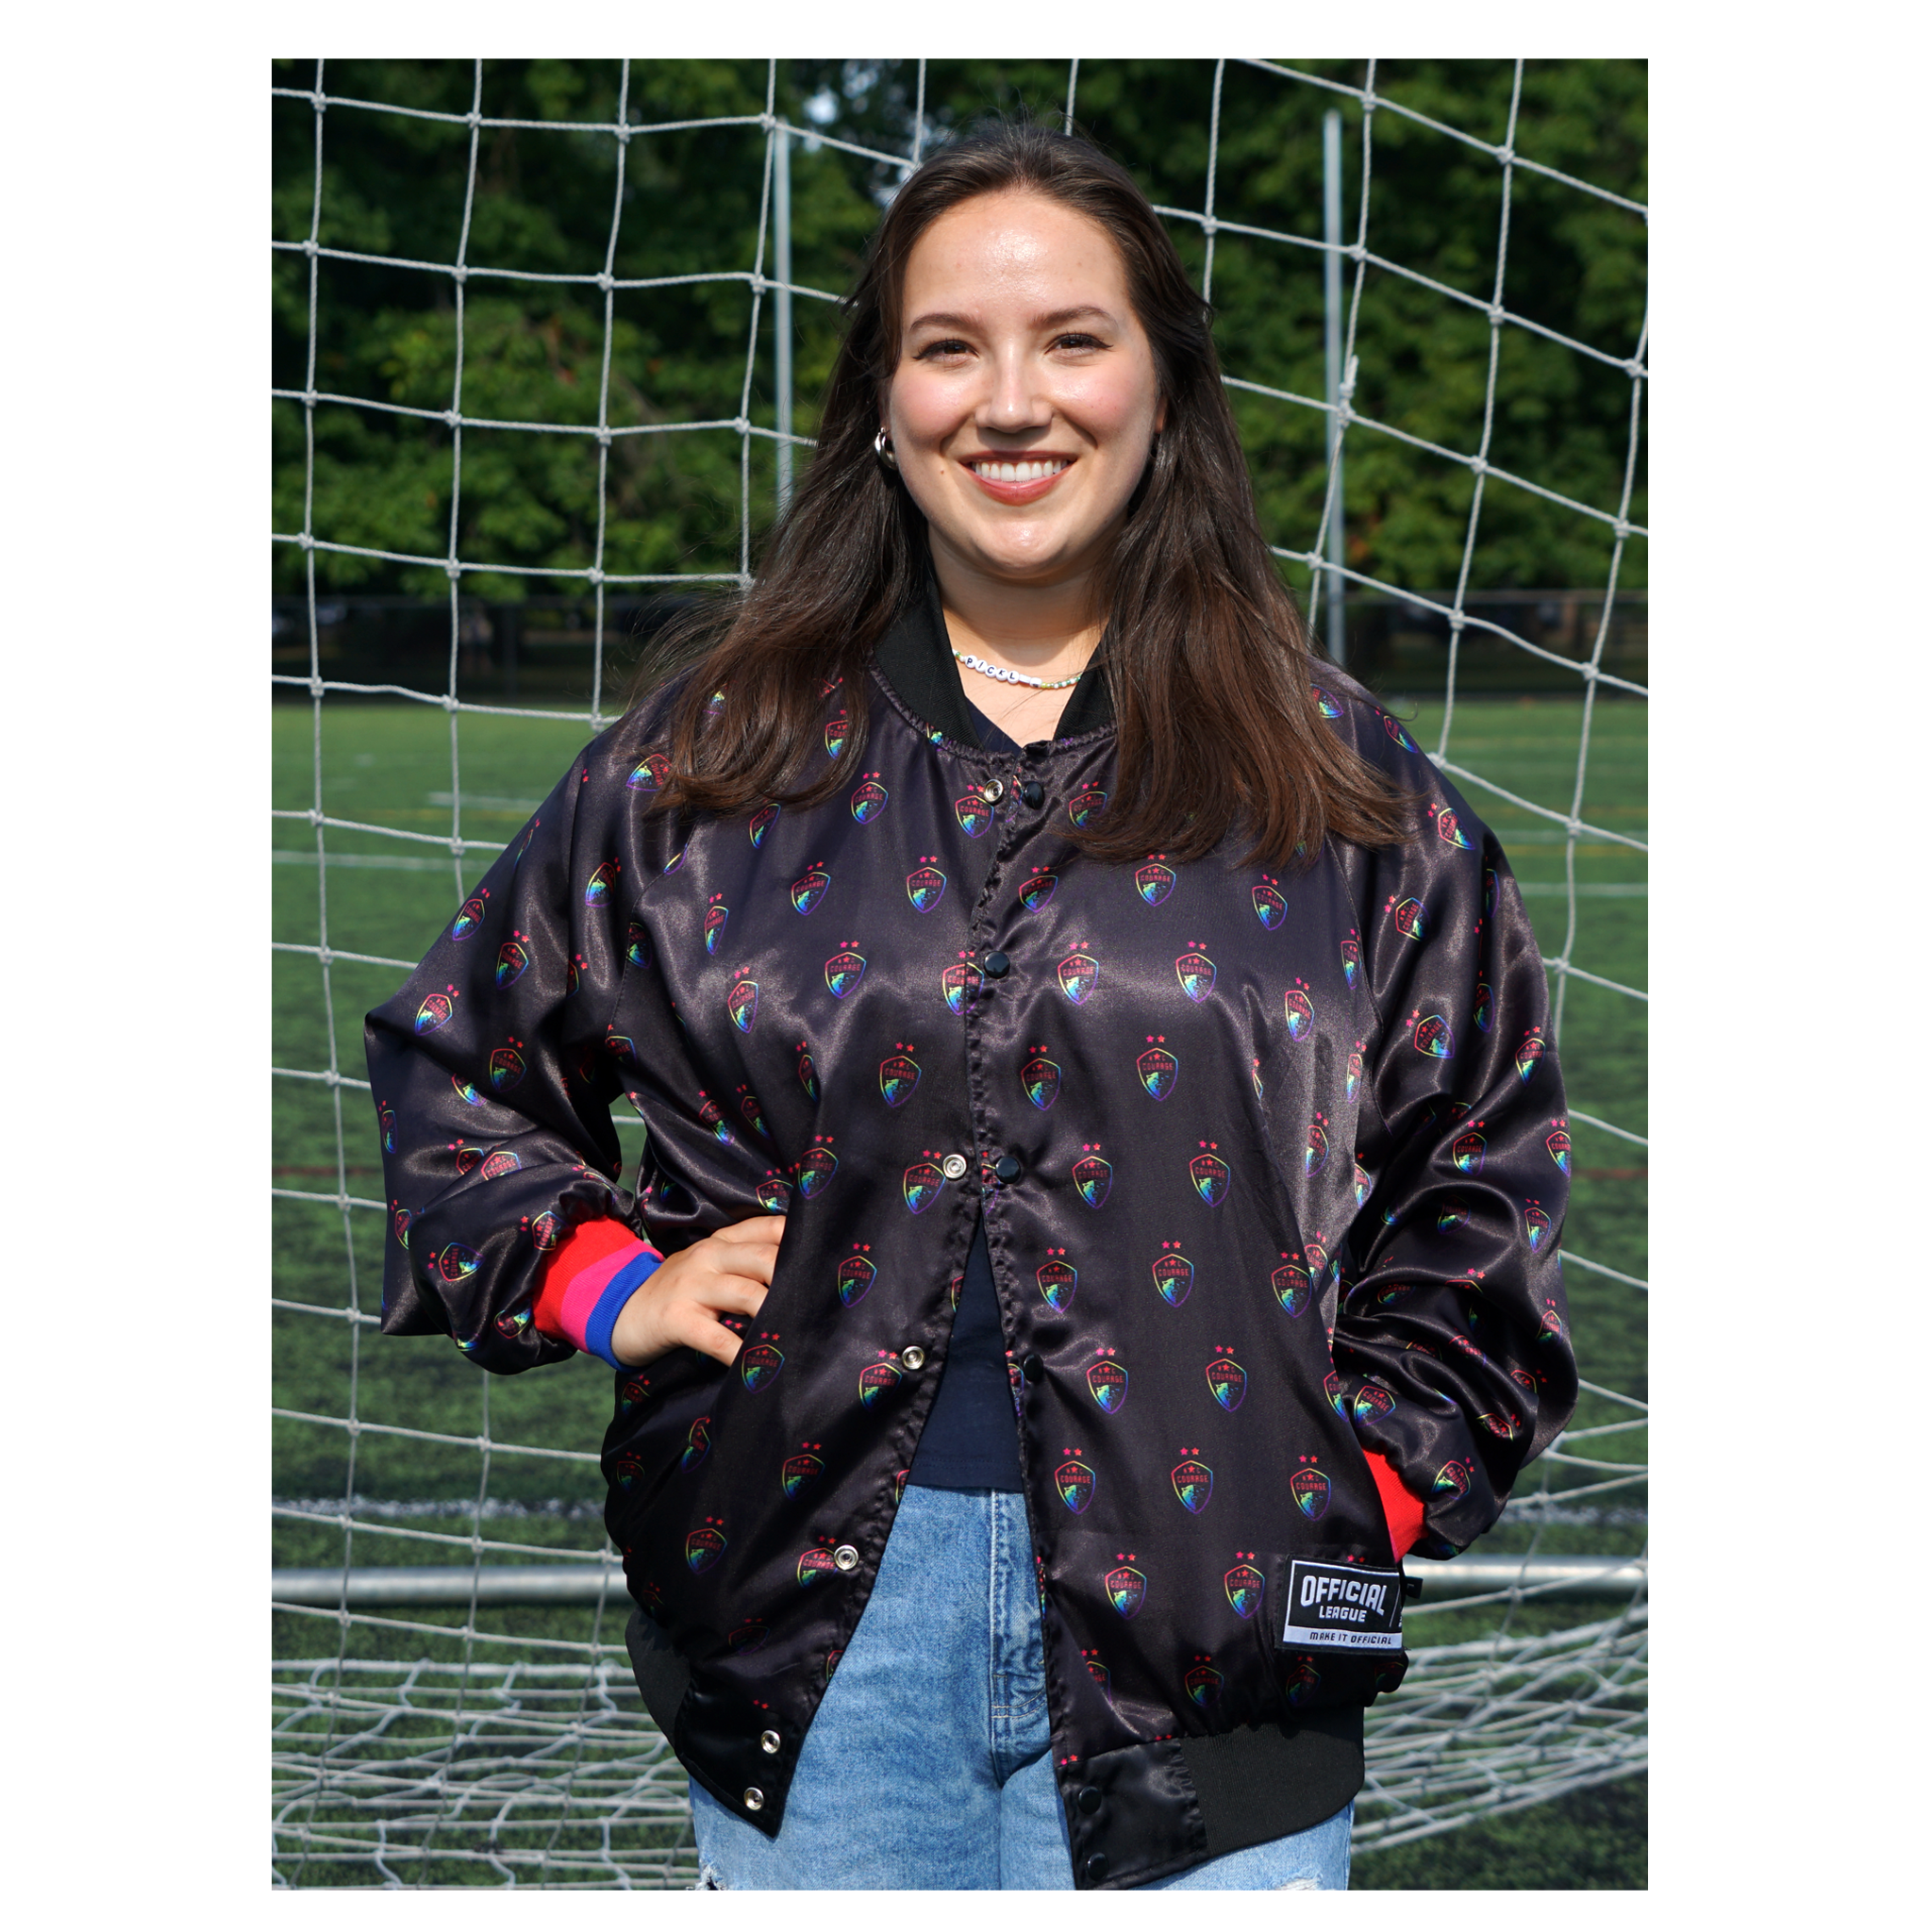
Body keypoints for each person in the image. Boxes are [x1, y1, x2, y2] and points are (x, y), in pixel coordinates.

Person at [366, 118, 1577, 1892]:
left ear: (1164, 388)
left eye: (1073, 340)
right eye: (952, 348)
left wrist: (1354, 1493)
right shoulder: (710, 761)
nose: (1012, 402)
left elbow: (1483, 1171)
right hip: (817, 1635)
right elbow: (457, 1065)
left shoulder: (1343, 786)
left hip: (1216, 1647)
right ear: (883, 400)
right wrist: (604, 1280)